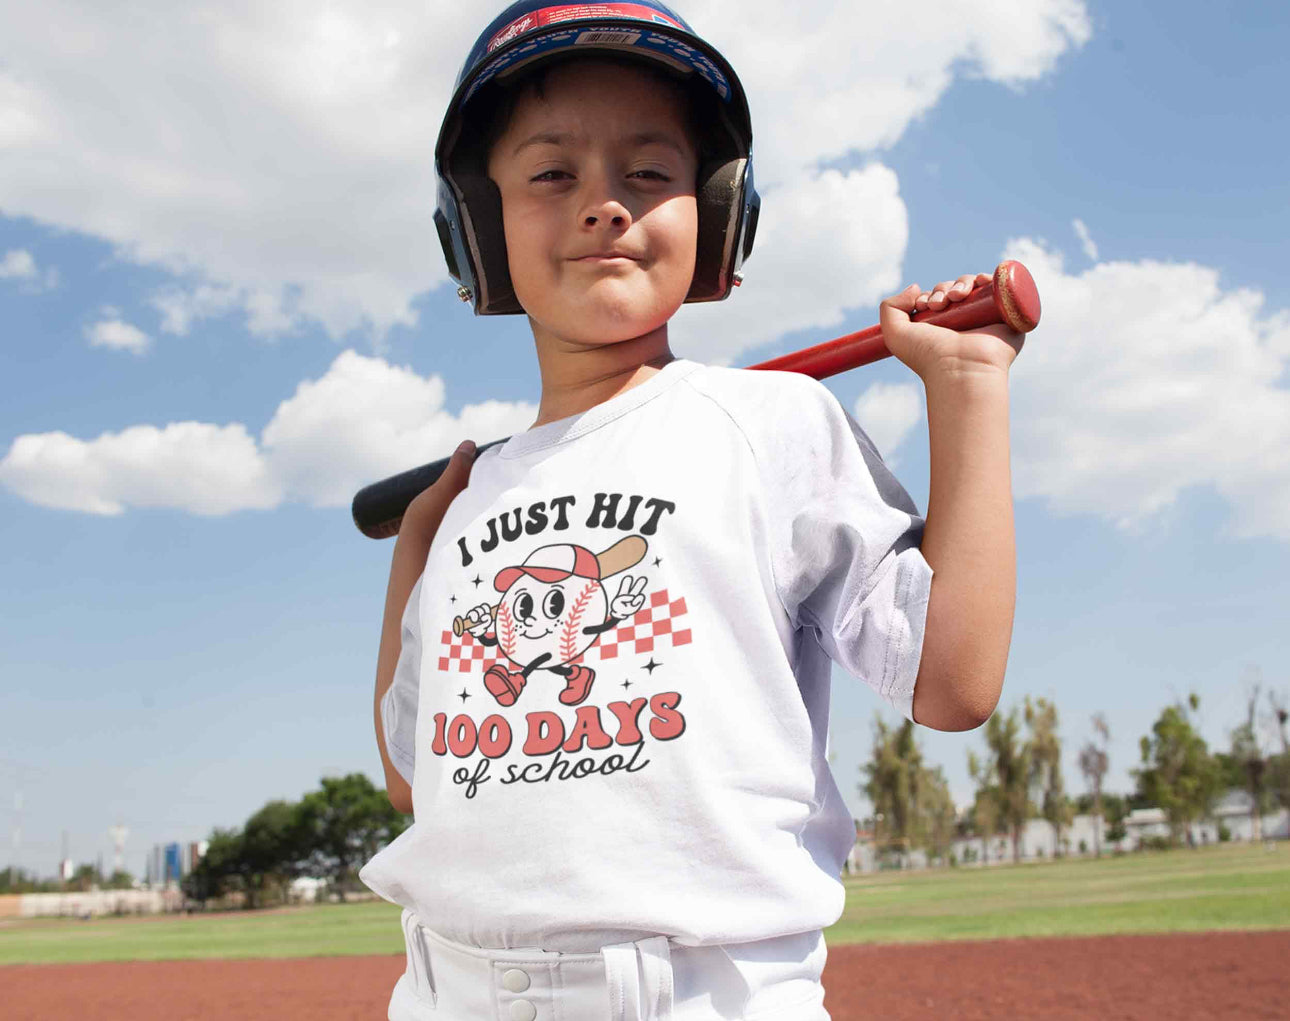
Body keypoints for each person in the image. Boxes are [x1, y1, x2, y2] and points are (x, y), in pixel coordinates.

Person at [358, 2, 1022, 1019]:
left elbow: (951, 679)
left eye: (650, 172)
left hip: (697, 998)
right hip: (446, 991)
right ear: (477, 225)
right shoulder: (461, 504)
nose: (604, 204)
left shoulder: (771, 423)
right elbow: (415, 777)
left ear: (717, 213)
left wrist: (967, 388)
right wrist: (417, 543)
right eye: (550, 173)